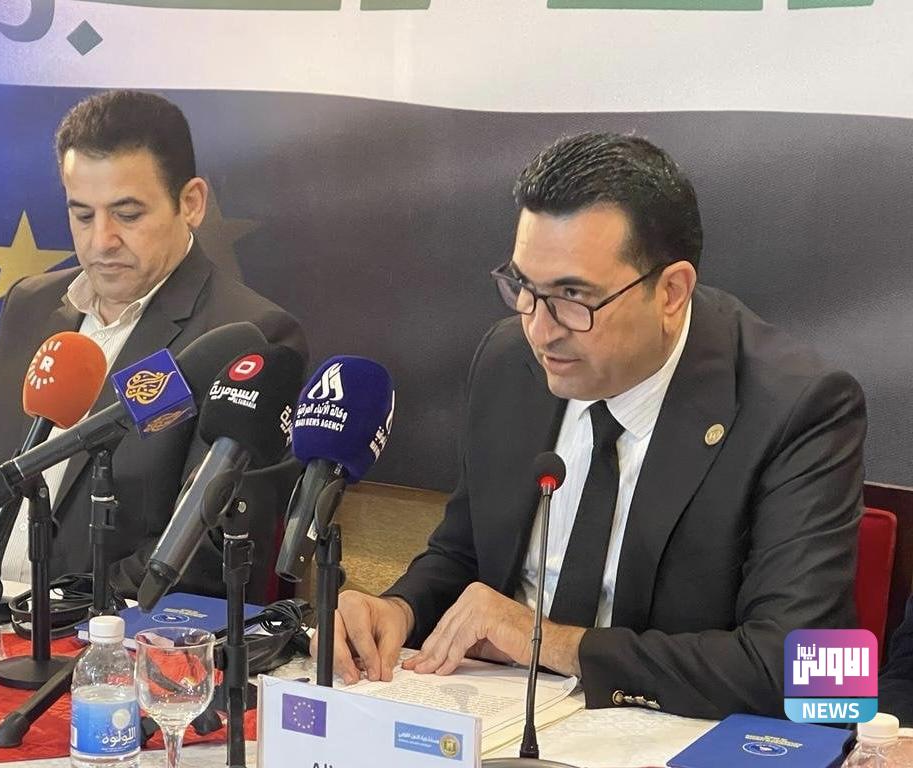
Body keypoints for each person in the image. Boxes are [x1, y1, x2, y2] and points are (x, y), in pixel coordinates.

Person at [318, 132, 866, 719]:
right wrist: (400, 609)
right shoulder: (508, 362)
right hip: (501, 719)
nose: (540, 329)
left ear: (671, 291)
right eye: (524, 288)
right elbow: (466, 554)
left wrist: (550, 643)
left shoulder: (798, 406)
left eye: (573, 296)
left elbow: (807, 674)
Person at [0, 90, 307, 599]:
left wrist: (51, 609)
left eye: (127, 214)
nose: (101, 241)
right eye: (83, 215)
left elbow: (206, 550)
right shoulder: (30, 305)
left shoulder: (252, 336)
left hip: (103, 629)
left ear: (190, 203)